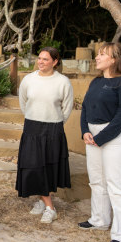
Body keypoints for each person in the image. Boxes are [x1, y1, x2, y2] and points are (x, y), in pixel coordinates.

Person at [79, 42, 121, 242]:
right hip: (92, 137)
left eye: (102, 54)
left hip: (115, 138)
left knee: (117, 186)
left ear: (114, 60)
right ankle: (99, 219)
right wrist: (85, 130)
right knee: (96, 181)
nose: (97, 57)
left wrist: (100, 138)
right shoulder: (96, 81)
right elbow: (85, 107)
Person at [16, 47, 74, 223]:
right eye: (39, 58)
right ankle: (43, 201)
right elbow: (23, 103)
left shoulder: (63, 82)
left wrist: (53, 121)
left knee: (47, 168)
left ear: (55, 62)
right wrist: (35, 117)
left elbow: (67, 108)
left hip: (53, 130)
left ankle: (50, 207)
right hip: (32, 127)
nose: (40, 62)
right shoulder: (28, 79)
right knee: (33, 166)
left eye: (45, 59)